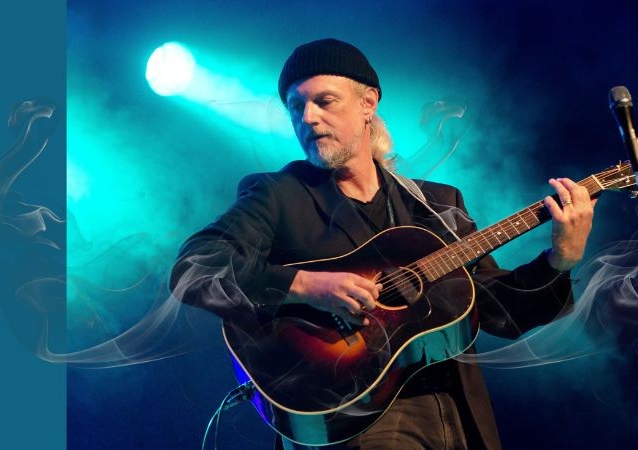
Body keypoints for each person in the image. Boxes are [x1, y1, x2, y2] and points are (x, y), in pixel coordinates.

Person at [171, 38, 597, 450]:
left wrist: (561, 259)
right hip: (350, 423)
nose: (309, 118)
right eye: (296, 107)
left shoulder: (436, 204)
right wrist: (305, 286)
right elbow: (194, 269)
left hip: (452, 410)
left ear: (368, 103)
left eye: (325, 101)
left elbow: (500, 313)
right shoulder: (279, 194)